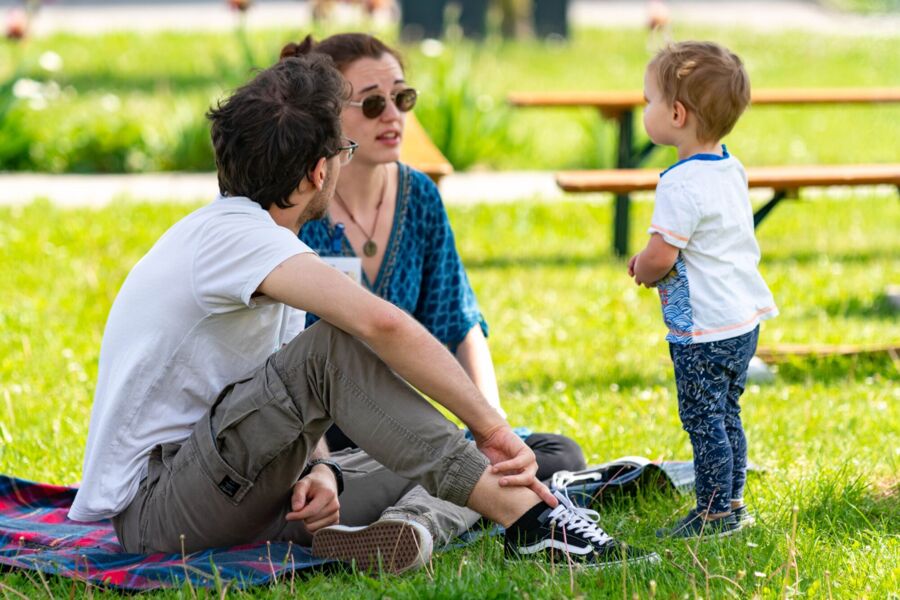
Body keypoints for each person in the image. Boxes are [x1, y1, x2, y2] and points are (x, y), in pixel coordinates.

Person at [67, 53, 657, 574]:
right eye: (341, 152)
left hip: (226, 488)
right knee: (336, 348)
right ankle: (531, 522)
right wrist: (496, 430)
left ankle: (412, 528)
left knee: (434, 446)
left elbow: (274, 403)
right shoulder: (233, 238)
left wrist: (323, 474)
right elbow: (380, 325)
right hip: (160, 511)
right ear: (319, 171)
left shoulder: (258, 242)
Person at [287, 33, 586, 482]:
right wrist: (320, 464)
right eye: (373, 103)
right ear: (326, 114)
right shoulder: (298, 204)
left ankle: (440, 484)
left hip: (405, 421)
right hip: (320, 428)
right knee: (366, 469)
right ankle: (440, 488)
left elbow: (460, 324)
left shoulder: (419, 195)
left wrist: (492, 428)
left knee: (560, 454)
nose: (393, 115)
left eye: (402, 98)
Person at [628, 41, 778, 538]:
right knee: (727, 411)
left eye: (648, 100)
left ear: (676, 114)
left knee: (702, 418)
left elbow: (662, 256)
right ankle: (733, 501)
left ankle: (713, 513)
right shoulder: (729, 167)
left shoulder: (679, 183)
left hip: (703, 330)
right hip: (741, 321)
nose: (644, 108)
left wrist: (642, 266)